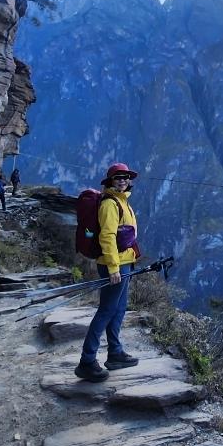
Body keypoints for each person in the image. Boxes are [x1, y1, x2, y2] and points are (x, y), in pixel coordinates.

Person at [75, 162, 141, 382]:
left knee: (119, 309)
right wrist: (113, 268)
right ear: (110, 181)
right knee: (106, 310)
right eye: (118, 177)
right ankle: (86, 361)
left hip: (125, 262)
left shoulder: (123, 201)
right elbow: (107, 237)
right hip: (114, 265)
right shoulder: (110, 204)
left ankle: (115, 352)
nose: (122, 180)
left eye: (125, 177)